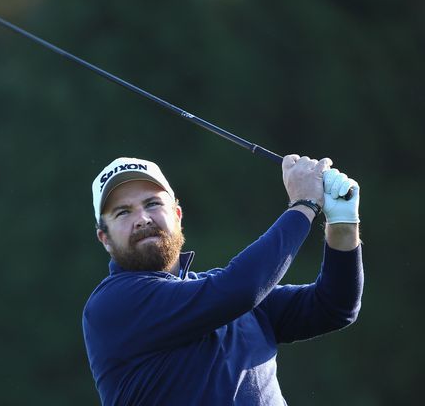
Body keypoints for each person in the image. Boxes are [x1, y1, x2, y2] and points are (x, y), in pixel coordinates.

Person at [82, 155, 363, 405]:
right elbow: (240, 289)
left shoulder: (221, 294)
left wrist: (342, 226)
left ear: (177, 215)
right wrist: (303, 206)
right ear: (104, 238)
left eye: (152, 203)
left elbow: (334, 306)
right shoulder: (112, 304)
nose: (142, 219)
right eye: (123, 212)